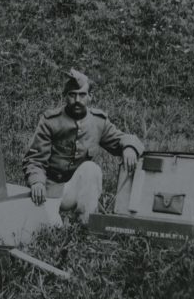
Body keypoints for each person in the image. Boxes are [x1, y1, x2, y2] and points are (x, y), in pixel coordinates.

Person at [22, 69, 145, 224]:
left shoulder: (98, 122)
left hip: (76, 189)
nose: (77, 100)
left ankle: (85, 223)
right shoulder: (50, 121)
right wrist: (37, 182)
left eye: (82, 95)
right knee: (49, 228)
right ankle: (55, 218)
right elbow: (35, 159)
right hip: (50, 190)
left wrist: (129, 148)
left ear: (90, 97)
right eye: (72, 95)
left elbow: (121, 139)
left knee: (91, 168)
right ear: (65, 97)